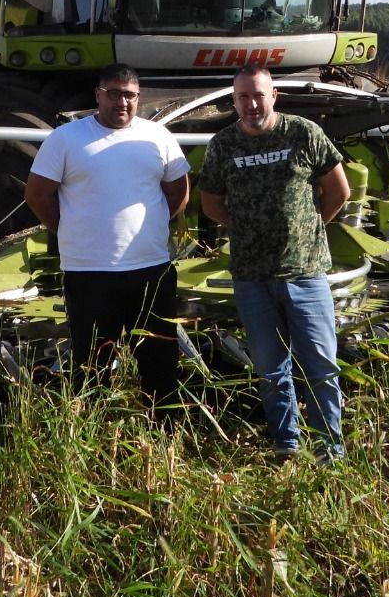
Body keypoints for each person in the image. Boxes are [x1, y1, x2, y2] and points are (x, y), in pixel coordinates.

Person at [198, 64, 351, 463]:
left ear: (274, 96)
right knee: (270, 369)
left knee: (321, 366)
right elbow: (210, 203)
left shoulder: (303, 133)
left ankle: (329, 452)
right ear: (234, 102)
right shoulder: (223, 145)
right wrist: (245, 228)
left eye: (258, 95)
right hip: (252, 278)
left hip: (305, 273)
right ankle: (287, 446)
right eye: (243, 97)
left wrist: (310, 227)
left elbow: (339, 190)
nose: (251, 104)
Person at [23, 64, 190, 409]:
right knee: (92, 366)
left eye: (129, 95)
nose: (122, 102)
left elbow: (179, 193)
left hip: (151, 270)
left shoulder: (158, 136)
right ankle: (94, 430)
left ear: (139, 97)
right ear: (98, 95)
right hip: (89, 273)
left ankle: (162, 426)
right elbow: (37, 195)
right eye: (114, 94)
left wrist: (150, 225)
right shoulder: (66, 139)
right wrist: (70, 229)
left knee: (160, 361)